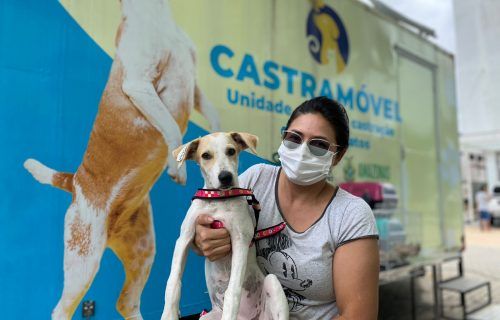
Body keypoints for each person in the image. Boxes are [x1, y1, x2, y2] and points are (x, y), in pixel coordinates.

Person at [194, 96, 379, 320]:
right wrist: (203, 238)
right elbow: (205, 231)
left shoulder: (351, 214)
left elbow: (358, 315)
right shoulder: (254, 181)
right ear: (283, 138)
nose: (302, 152)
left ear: (338, 156)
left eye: (319, 145)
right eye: (294, 138)